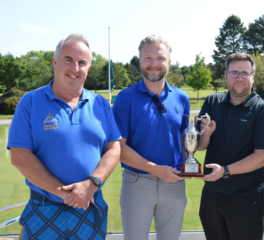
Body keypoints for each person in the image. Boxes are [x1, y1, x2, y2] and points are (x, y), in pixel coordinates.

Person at [8, 34, 122, 240]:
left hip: (91, 206)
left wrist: (91, 184)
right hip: (44, 208)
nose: (75, 68)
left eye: (82, 63)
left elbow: (114, 148)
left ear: (88, 68)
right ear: (55, 62)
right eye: (68, 59)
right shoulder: (30, 102)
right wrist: (65, 194)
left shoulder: (101, 104)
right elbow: (19, 156)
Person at [112, 35, 190, 240]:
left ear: (169, 62)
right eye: (148, 58)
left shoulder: (181, 98)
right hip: (137, 183)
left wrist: (196, 148)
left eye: (161, 58)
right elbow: (118, 148)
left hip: (174, 182)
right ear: (139, 60)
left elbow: (185, 145)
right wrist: (156, 169)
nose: (154, 64)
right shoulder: (125, 98)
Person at [196, 52, 264, 240]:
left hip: (248, 198)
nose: (239, 78)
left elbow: (262, 156)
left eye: (245, 73)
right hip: (212, 195)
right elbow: (200, 146)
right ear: (226, 75)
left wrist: (225, 171)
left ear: (253, 77)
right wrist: (206, 135)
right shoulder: (212, 102)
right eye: (234, 73)